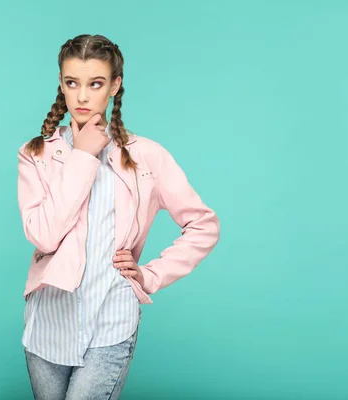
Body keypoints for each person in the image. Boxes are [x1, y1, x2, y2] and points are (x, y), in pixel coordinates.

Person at [16, 33, 220, 400]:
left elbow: (202, 224)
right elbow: (44, 236)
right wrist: (83, 156)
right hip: (48, 325)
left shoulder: (148, 156)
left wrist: (150, 275)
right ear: (60, 84)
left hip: (111, 321)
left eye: (95, 84)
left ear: (114, 86)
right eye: (71, 83)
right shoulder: (36, 155)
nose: (81, 96)